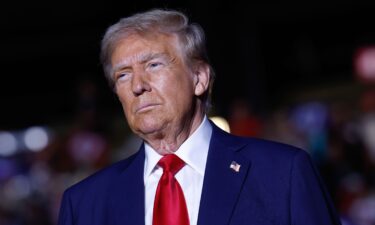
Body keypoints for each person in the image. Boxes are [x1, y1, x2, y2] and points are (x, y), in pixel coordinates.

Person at [58, 8, 342, 225]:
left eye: (153, 65)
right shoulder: (85, 204)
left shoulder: (283, 173)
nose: (137, 85)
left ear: (199, 78)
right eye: (123, 75)